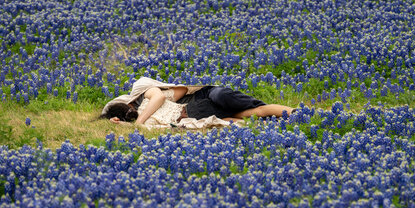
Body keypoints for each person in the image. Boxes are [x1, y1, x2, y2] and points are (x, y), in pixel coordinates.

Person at [100, 77, 294, 126]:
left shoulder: (142, 90)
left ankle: (296, 112)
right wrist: (118, 121)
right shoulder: (137, 112)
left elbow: (159, 97)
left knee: (224, 98)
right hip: (195, 110)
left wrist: (139, 121)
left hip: (205, 96)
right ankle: (284, 119)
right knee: (252, 115)